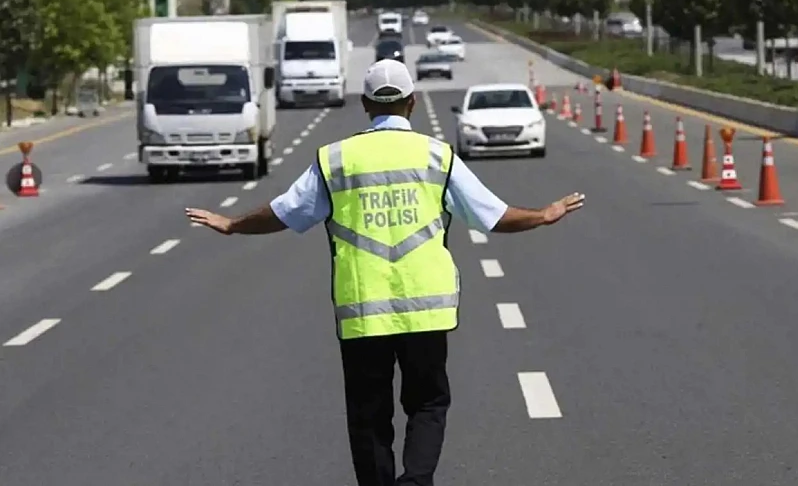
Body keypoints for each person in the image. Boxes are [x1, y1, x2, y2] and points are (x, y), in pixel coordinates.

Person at [185, 59, 585, 486]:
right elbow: (493, 215)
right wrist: (542, 215)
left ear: (365, 104)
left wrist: (232, 223)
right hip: (426, 310)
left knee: (368, 414)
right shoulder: (436, 156)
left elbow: (285, 212)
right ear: (412, 103)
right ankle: (415, 481)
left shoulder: (336, 159)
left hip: (363, 310)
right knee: (428, 403)